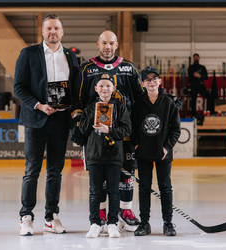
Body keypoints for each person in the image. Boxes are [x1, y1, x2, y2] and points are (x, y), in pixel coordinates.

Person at [14, 14, 80, 236]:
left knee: (55, 172)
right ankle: (26, 216)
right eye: (49, 28)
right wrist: (39, 105)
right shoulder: (28, 53)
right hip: (36, 119)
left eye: (57, 28)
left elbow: (76, 89)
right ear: (43, 32)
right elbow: (19, 87)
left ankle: (51, 217)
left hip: (60, 121)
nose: (53, 32)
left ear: (62, 32)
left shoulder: (71, 57)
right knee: (32, 170)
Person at [71, 30, 143, 232]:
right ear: (98, 44)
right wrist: (80, 128)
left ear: (117, 44)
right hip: (96, 135)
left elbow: (139, 101)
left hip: (124, 133)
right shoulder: (86, 69)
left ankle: (125, 210)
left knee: (126, 174)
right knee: (100, 176)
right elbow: (78, 101)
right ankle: (101, 212)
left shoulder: (129, 68)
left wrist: (139, 132)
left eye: (111, 43)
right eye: (104, 43)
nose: (108, 46)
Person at [79, 73, 131, 238]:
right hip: (94, 155)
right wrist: (90, 119)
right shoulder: (90, 107)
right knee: (95, 191)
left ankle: (112, 223)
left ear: (113, 88)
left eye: (108, 85)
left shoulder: (120, 107)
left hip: (114, 156)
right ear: (96, 89)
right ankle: (94, 223)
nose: (104, 89)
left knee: (114, 191)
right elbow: (82, 132)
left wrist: (110, 130)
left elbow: (126, 130)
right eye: (101, 85)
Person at [131, 67, 181, 237]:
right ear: (143, 83)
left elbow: (176, 130)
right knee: (144, 188)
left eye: (154, 79)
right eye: (147, 80)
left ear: (160, 81)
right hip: (143, 153)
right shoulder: (138, 103)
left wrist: (167, 147)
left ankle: (168, 223)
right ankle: (144, 223)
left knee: (165, 187)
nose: (151, 82)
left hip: (163, 153)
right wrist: (136, 144)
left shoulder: (168, 103)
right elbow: (131, 128)